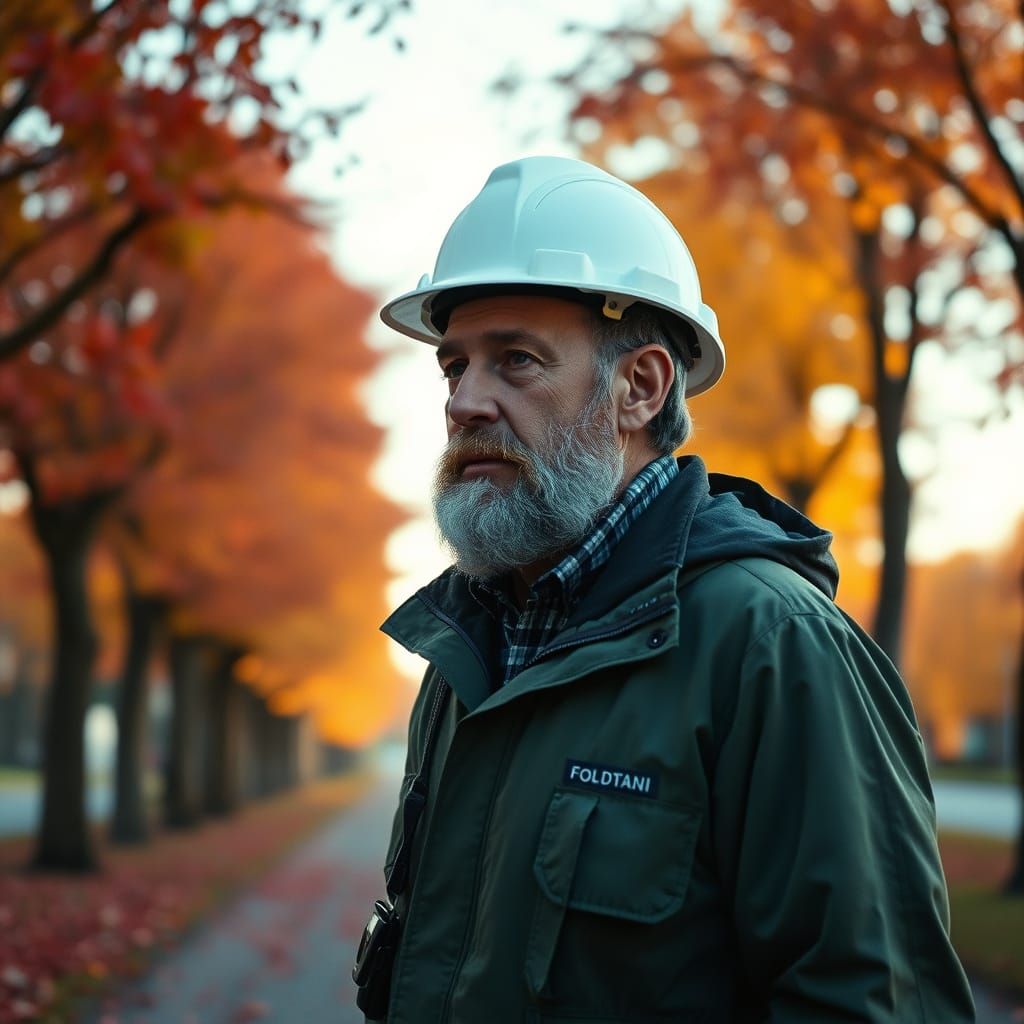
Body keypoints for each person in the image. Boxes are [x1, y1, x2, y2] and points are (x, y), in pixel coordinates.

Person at [354, 156, 976, 1022]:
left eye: (517, 360)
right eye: (454, 367)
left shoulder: (773, 645)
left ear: (639, 388)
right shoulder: (466, 651)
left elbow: (871, 1001)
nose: (465, 403)